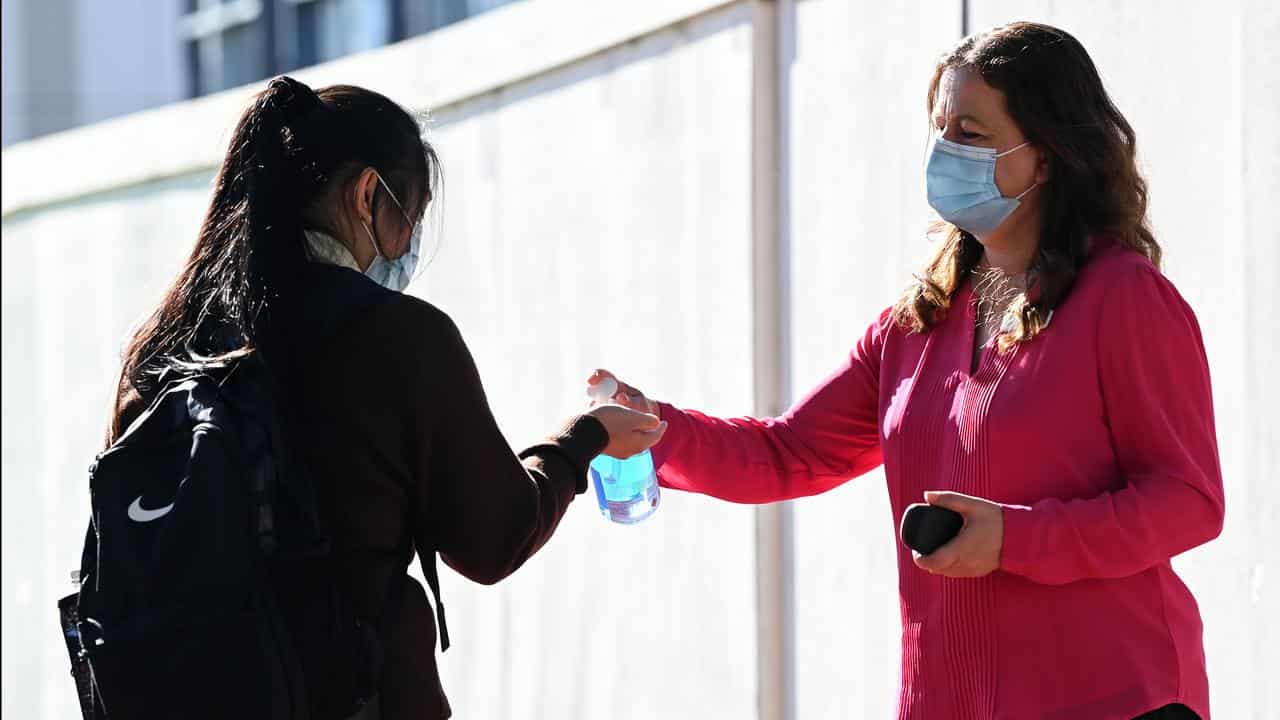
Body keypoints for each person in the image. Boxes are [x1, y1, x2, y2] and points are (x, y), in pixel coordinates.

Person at [593, 22, 1222, 720]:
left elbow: (1187, 500)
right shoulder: (916, 324)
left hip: (1117, 700)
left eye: (972, 133)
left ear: (1045, 157)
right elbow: (787, 454)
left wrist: (1016, 539)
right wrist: (655, 430)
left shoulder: (1123, 297)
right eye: (940, 128)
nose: (946, 150)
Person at [105, 76, 666, 719]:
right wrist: (583, 440)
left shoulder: (163, 344)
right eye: (411, 221)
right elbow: (493, 538)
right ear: (369, 193)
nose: (407, 250)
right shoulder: (395, 335)